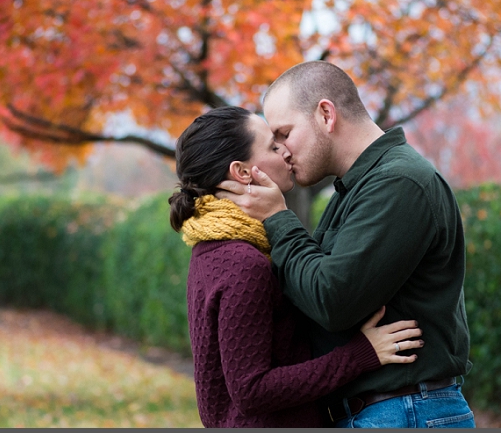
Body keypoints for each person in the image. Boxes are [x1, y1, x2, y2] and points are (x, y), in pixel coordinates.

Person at [217, 61, 475, 428]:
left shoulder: (400, 183)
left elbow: (332, 300)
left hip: (407, 411)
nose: (282, 151)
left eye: (285, 134)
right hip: (387, 412)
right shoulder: (356, 188)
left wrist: (278, 218)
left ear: (326, 114)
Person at [169, 106, 425, 428]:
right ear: (244, 173)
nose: (286, 151)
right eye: (273, 147)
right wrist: (359, 355)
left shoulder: (213, 249)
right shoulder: (242, 263)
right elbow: (251, 390)